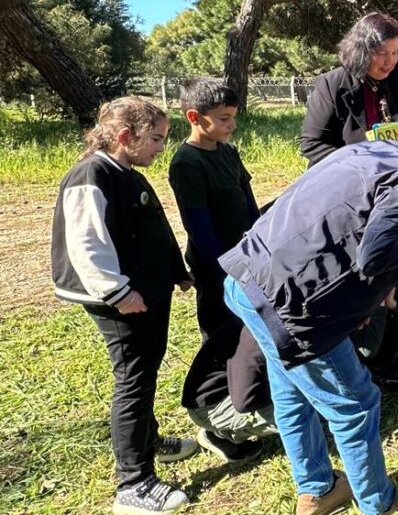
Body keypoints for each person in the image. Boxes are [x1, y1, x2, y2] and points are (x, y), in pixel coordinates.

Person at [218, 118, 398, 515]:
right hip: (291, 309)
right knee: (357, 402)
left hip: (251, 277)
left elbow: (354, 226)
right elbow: (376, 254)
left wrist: (362, 302)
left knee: (291, 391)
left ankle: (318, 489)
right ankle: (381, 504)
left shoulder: (378, 151)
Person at [51, 97, 197, 514]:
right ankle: (133, 483)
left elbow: (151, 225)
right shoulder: (92, 173)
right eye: (154, 138)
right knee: (133, 378)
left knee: (147, 365)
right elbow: (86, 242)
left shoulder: (127, 171)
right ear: (124, 136)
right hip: (120, 301)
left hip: (146, 294)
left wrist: (176, 270)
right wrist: (116, 292)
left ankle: (148, 441)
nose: (159, 148)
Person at [168, 79, 260, 341]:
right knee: (221, 334)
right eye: (223, 119)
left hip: (246, 256)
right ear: (194, 117)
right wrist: (228, 265)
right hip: (215, 266)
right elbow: (198, 226)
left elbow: (248, 200)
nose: (232, 125)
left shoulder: (229, 151)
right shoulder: (187, 163)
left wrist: (259, 241)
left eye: (233, 117)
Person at [300, 11, 398, 167]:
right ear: (362, 52)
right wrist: (361, 164)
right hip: (348, 178)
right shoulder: (332, 84)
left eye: (395, 52)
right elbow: (312, 144)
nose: (390, 61)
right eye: (382, 53)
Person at [182, 319, 277, 463]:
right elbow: (245, 401)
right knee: (296, 410)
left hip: (238, 385)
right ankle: (221, 435)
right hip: (211, 407)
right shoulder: (257, 335)